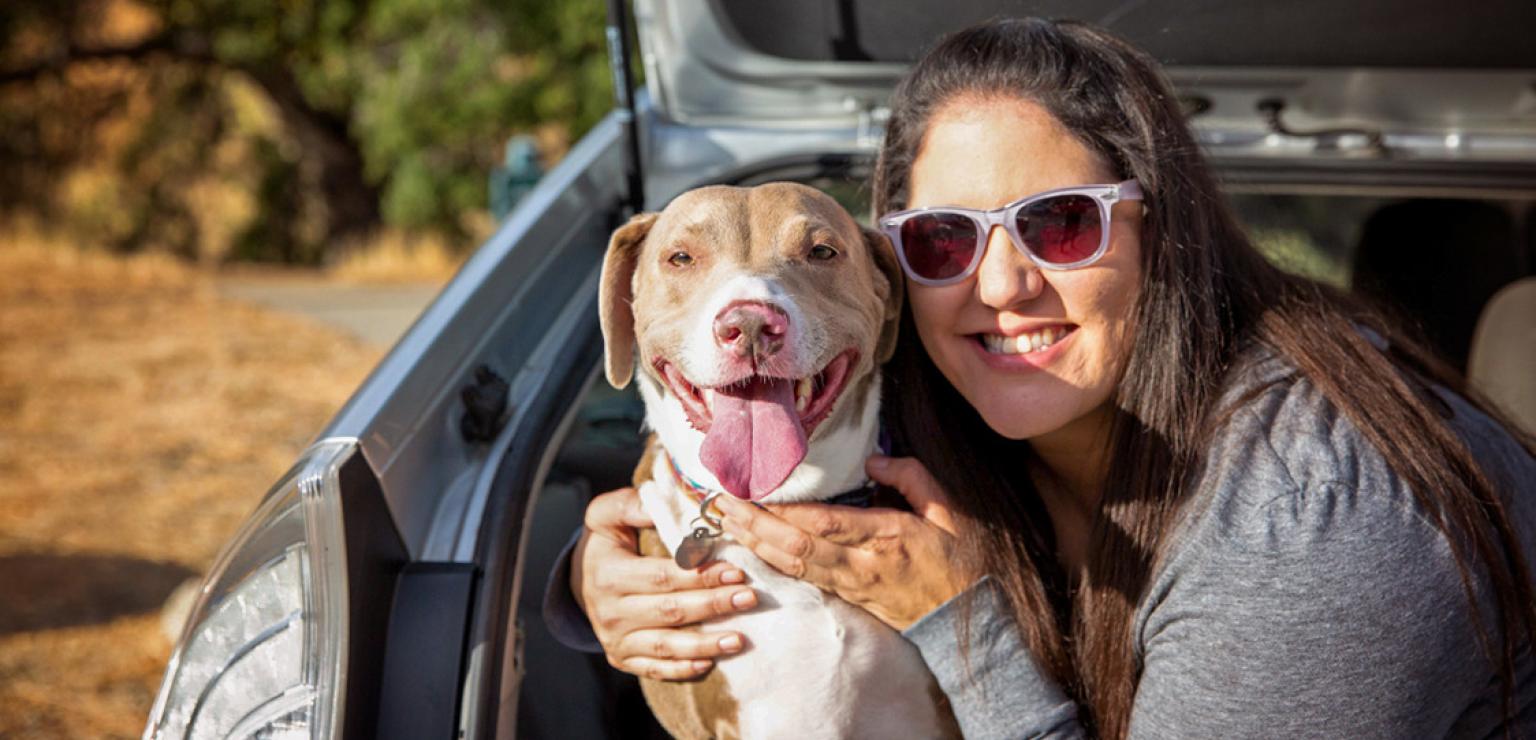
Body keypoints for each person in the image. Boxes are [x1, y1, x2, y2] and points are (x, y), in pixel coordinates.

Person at [547, 18, 1536, 738]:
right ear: (896, 281)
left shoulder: (1316, 522)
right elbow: (732, 434)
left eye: (1062, 222)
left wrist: (964, 623)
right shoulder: (947, 405)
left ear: (1163, 227)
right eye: (943, 237)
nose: (1003, 284)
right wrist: (614, 577)